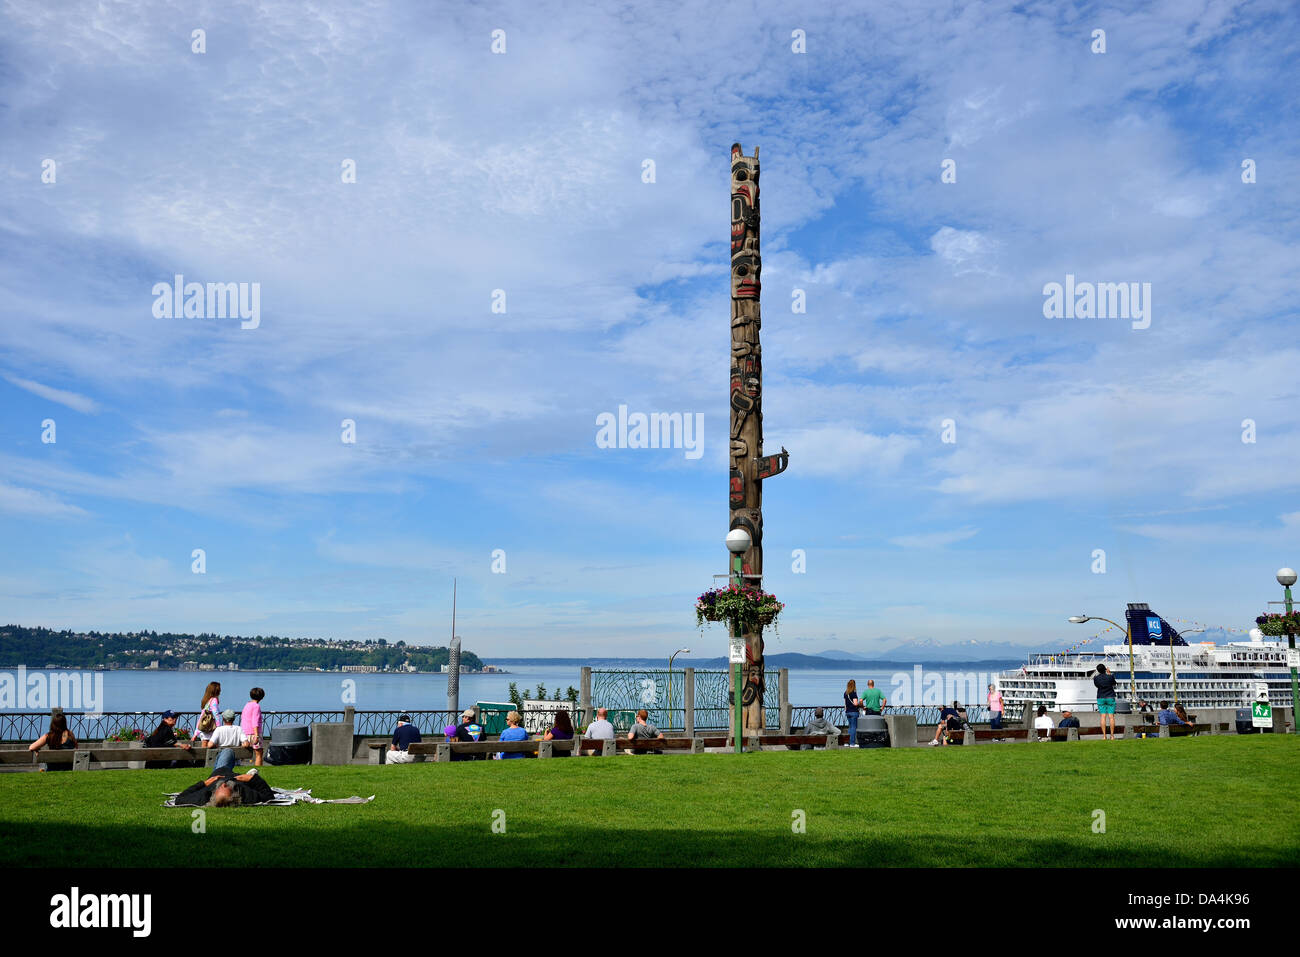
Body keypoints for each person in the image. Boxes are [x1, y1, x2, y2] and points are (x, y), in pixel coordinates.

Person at [174, 766, 273, 807]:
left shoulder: (203, 797)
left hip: (219, 771)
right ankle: (248, 773)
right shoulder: (245, 794)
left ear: (213, 793)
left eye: (220, 787)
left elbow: (179, 799)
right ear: (235, 793)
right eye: (226, 787)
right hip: (238, 776)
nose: (223, 784)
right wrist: (252, 779)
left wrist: (204, 783)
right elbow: (268, 796)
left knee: (226, 753)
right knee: (228, 752)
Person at [240, 687, 266, 767]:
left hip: (245, 732)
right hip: (253, 732)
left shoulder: (247, 704)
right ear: (261, 697)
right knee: (259, 753)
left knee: (244, 753)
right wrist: (256, 735)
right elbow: (255, 721)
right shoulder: (256, 706)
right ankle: (258, 770)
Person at [1093, 664, 1118, 740]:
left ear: (1098, 670)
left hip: (1101, 697)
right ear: (1105, 669)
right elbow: (1114, 683)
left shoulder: (1096, 678)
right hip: (1110, 697)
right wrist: (1109, 674)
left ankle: (1104, 736)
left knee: (1103, 716)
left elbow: (1097, 686)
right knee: (1111, 717)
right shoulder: (1110, 677)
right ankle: (1112, 736)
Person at [195, 681, 222, 747]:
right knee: (212, 744)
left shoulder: (206, 700)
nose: (220, 691)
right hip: (210, 727)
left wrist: (196, 731)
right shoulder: (214, 700)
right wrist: (219, 727)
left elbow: (202, 715)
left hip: (204, 726)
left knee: (204, 744)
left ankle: (203, 757)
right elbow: (216, 714)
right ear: (216, 691)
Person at [843, 680, 862, 747]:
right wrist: (860, 703)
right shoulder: (853, 693)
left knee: (850, 727)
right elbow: (855, 703)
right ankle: (852, 743)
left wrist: (846, 710)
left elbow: (845, 704)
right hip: (854, 712)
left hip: (848, 712)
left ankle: (847, 742)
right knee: (854, 728)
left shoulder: (845, 693)